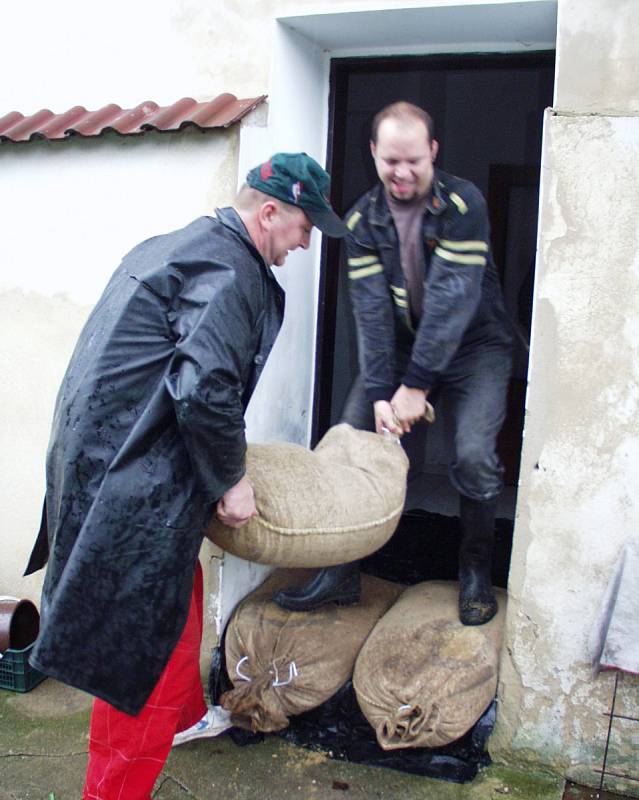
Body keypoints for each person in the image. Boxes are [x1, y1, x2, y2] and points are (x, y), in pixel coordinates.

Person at [23, 152, 347, 799]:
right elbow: (205, 388)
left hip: (97, 466)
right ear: (269, 211)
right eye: (305, 225)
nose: (307, 241)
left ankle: (186, 715)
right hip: (131, 485)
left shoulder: (178, 248)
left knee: (179, 593)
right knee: (135, 651)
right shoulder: (229, 270)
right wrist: (230, 478)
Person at [274, 103, 514, 626]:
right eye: (390, 161)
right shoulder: (361, 221)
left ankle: (475, 569)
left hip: (477, 347)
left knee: (473, 458)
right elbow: (371, 313)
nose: (401, 173)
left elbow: (453, 299)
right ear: (374, 156)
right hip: (404, 352)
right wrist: (385, 391)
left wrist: (416, 387)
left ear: (432, 152)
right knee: (346, 444)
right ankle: (338, 572)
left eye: (412, 160)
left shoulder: (463, 203)